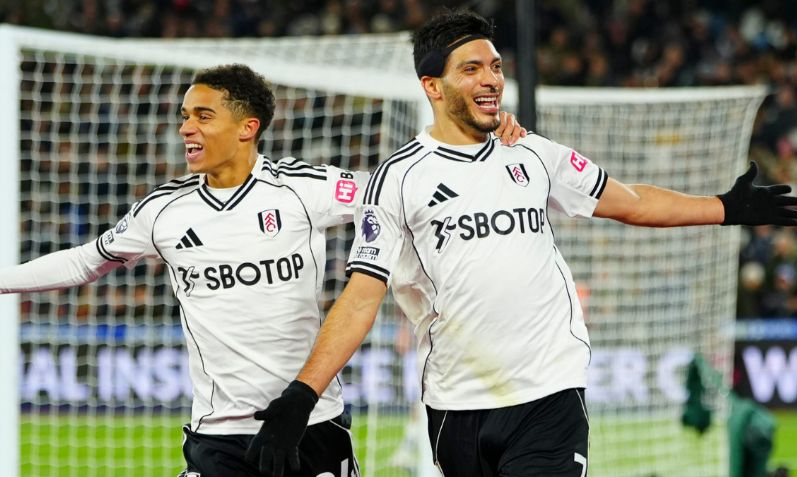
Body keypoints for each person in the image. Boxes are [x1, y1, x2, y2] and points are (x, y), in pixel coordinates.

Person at [251, 10, 797, 477]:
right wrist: (304, 394)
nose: (492, 78)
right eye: (471, 69)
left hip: (549, 393)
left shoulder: (533, 154)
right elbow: (362, 295)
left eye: (495, 66)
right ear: (432, 87)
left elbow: (630, 202)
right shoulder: (397, 179)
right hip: (455, 406)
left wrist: (725, 208)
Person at [2, 62, 526, 477]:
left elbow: (400, 189)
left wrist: (483, 147)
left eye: (202, 116)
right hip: (219, 436)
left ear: (247, 127)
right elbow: (85, 262)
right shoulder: (162, 211)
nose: (186, 126)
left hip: (311, 422)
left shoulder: (303, 189)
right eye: (185, 115)